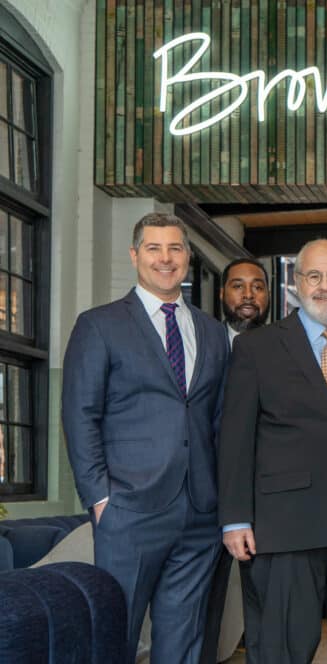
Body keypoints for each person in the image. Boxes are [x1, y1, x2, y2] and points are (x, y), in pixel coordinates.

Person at [62, 212, 231, 662]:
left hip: (199, 512)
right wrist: (100, 498)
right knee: (116, 635)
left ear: (188, 257)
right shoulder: (99, 325)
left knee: (184, 641)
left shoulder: (213, 333)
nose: (165, 258)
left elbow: (217, 420)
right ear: (135, 255)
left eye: (175, 248)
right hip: (129, 511)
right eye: (154, 248)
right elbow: (80, 415)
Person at [218, 239, 327, 663]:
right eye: (314, 276)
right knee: (282, 649)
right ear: (296, 284)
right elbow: (236, 438)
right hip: (285, 529)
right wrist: (235, 519)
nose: (324, 286)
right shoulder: (257, 347)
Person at [201, 257, 272, 664]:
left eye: (258, 287)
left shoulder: (282, 348)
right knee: (200, 609)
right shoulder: (202, 341)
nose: (248, 295)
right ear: (222, 293)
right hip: (200, 497)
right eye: (238, 286)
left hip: (262, 501)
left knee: (262, 608)